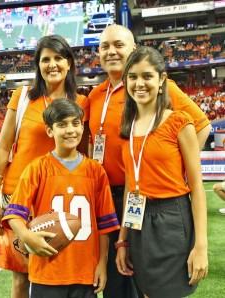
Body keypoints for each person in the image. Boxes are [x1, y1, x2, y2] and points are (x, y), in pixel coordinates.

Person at [88, 24, 211, 298]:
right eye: (105, 46)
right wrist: (122, 240)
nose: (139, 83)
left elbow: (198, 183)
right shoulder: (116, 115)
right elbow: (133, 181)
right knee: (135, 288)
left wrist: (171, 170)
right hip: (131, 209)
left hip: (169, 212)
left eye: (118, 45)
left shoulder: (175, 114)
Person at [0, 34, 89, 298]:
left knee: (57, 276)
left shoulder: (81, 103)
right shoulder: (22, 97)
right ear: (38, 65)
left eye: (58, 58)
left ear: (69, 63)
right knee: (21, 278)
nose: (52, 64)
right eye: (45, 59)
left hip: (56, 201)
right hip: (17, 197)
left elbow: (83, 154)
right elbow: (3, 147)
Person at [1, 99, 120, 297]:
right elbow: (14, 214)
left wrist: (102, 263)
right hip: (47, 271)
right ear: (50, 131)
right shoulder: (37, 168)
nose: (70, 130)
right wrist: (28, 236)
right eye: (62, 125)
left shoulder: (96, 171)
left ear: (82, 127)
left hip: (85, 272)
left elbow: (104, 225)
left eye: (75, 123)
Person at [116, 46, 208, 298]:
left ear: (161, 80)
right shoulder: (127, 130)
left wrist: (201, 245)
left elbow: (197, 188)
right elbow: (129, 188)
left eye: (147, 76)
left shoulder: (179, 122)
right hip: (138, 221)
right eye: (132, 77)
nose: (139, 83)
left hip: (172, 219)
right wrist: (123, 240)